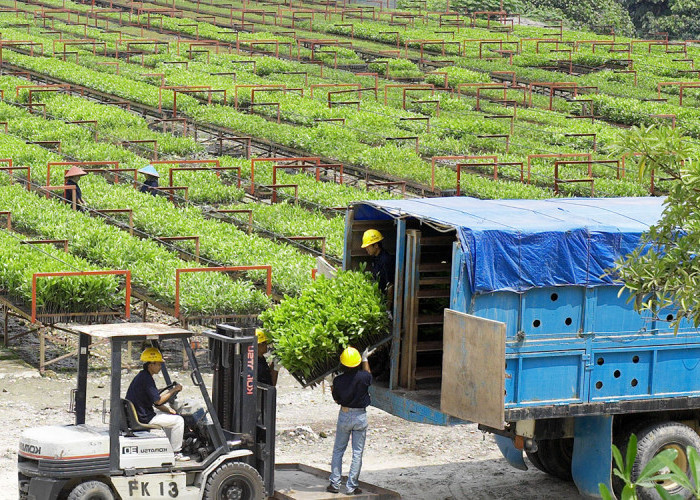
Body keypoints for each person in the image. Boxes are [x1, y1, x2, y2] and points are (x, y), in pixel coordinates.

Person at [125, 347, 190, 462]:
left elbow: (154, 400)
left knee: (172, 418)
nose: (160, 367)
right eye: (158, 364)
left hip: (141, 413)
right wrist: (174, 390)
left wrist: (169, 411)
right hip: (144, 417)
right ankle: (176, 453)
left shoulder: (142, 376)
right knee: (179, 421)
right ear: (151, 365)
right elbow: (158, 401)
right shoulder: (147, 380)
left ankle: (170, 448)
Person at [327, 346, 375, 495]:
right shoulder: (363, 377)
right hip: (360, 416)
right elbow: (369, 375)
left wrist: (331, 384)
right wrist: (365, 358)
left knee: (338, 450)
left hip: (344, 415)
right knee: (357, 452)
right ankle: (351, 486)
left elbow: (336, 399)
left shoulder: (339, 380)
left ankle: (335, 484)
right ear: (358, 362)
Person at [361, 229, 395, 305]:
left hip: (385, 299)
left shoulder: (385, 260)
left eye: (368, 247)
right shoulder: (375, 257)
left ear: (376, 245)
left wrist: (388, 308)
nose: (366, 250)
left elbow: (390, 286)